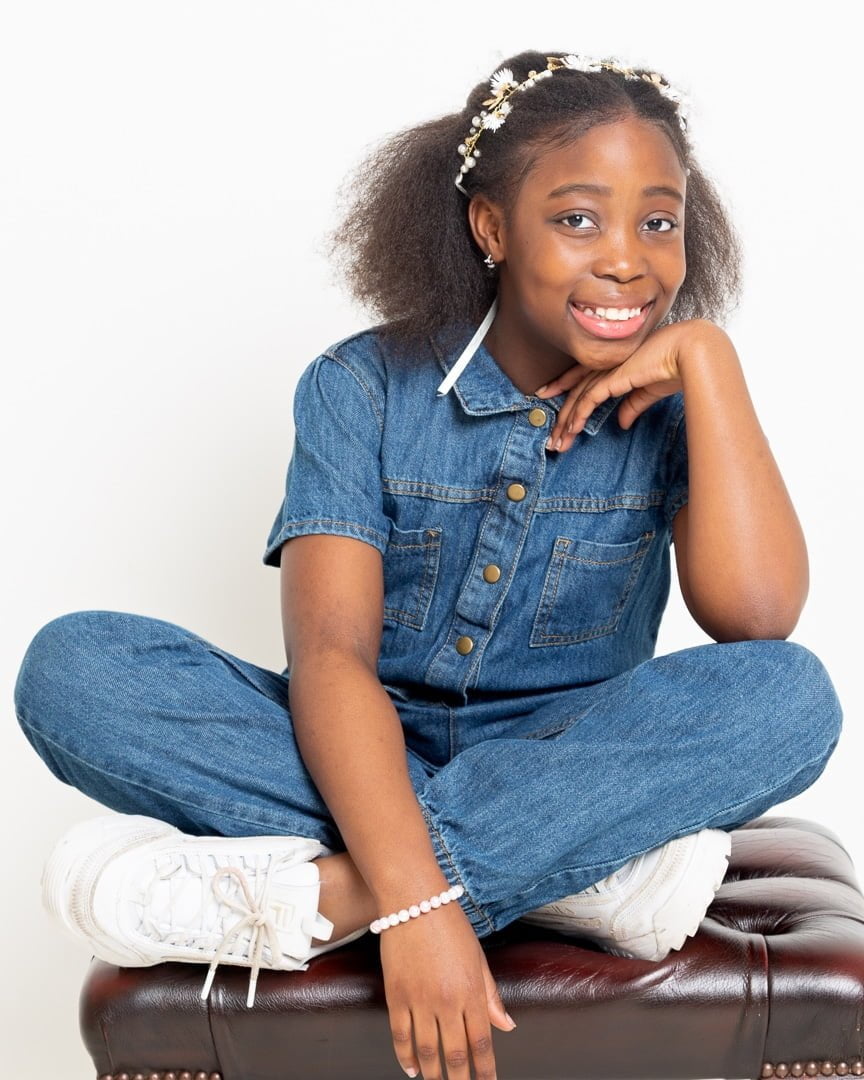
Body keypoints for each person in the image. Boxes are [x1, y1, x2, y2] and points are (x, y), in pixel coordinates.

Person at [14, 49, 843, 1080]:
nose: (628, 259)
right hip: (351, 745)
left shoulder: (678, 402)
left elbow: (758, 616)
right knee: (74, 668)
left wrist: (712, 366)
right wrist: (423, 906)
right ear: (492, 228)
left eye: (659, 221)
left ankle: (328, 893)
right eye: (578, 218)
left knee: (790, 697)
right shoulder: (360, 388)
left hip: (572, 756)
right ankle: (567, 875)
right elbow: (329, 659)